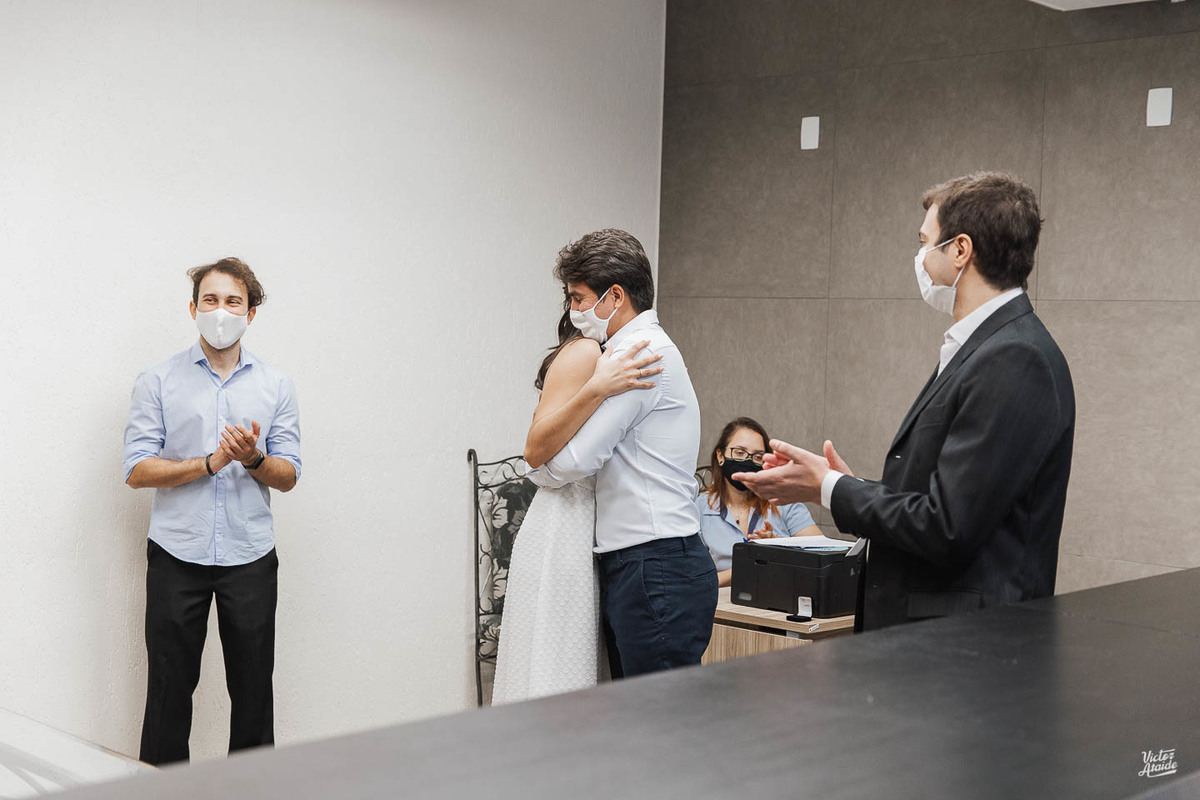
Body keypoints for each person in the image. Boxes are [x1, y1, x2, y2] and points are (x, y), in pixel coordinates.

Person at [735, 172, 1075, 632]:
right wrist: (848, 484)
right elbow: (945, 495)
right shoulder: (987, 347)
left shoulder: (1014, 357)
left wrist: (829, 488)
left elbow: (947, 527)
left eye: (925, 243)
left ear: (960, 250)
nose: (920, 258)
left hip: (967, 647)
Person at [122, 258, 301, 763]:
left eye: (233, 301)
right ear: (193, 308)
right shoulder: (157, 380)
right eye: (211, 300)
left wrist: (253, 459)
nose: (221, 311)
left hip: (250, 555)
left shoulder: (276, 385)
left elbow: (289, 475)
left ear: (250, 313)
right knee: (167, 692)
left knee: (253, 693)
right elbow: (136, 469)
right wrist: (208, 463)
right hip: (177, 554)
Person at [526, 228, 718, 679]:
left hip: (657, 564)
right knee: (636, 711)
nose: (573, 311)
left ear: (615, 296)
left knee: (655, 714)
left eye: (579, 298)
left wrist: (539, 469)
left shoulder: (640, 353)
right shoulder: (625, 350)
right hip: (645, 562)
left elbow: (575, 461)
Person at [491, 272, 665, 704]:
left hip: (596, 526)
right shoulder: (586, 351)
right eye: (573, 299)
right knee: (558, 666)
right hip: (564, 525)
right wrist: (598, 388)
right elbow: (535, 449)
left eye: (578, 298)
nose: (574, 308)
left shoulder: (614, 351)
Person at [697, 417, 823, 587]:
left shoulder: (783, 501)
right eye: (739, 453)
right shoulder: (700, 508)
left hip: (777, 597)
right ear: (720, 456)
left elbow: (823, 552)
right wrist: (749, 565)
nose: (747, 461)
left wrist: (779, 546)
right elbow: (693, 580)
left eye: (757, 456)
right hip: (722, 602)